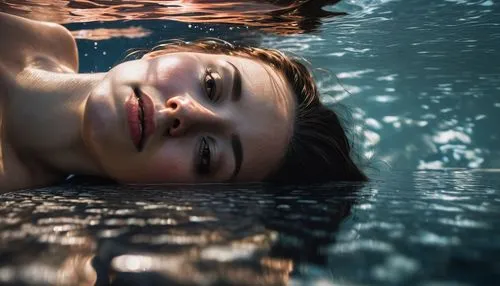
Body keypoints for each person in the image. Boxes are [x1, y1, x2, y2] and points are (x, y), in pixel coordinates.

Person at [0, 12, 366, 192]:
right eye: (211, 84)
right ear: (179, 49)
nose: (186, 113)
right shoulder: (45, 29)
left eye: (206, 155)